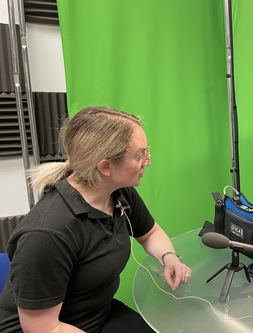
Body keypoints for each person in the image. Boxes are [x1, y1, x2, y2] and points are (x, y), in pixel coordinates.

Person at [0, 106, 192, 333]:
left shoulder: (118, 192)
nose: (147, 161)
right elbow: (42, 328)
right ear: (105, 167)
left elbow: (149, 233)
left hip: (97, 314)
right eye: (140, 155)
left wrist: (169, 258)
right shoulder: (48, 233)